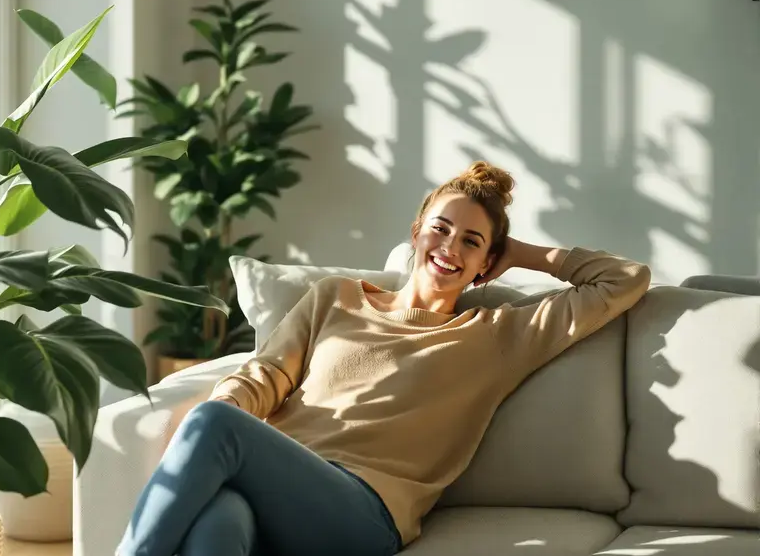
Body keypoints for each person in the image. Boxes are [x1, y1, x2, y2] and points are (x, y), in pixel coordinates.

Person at [116, 161, 651, 556]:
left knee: (213, 423)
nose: (450, 247)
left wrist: (524, 254)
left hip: (363, 513)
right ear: (417, 232)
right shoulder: (337, 296)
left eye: (472, 242)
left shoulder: (499, 334)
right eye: (440, 228)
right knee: (216, 524)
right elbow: (266, 374)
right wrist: (229, 413)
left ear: (487, 262)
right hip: (277, 480)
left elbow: (625, 280)